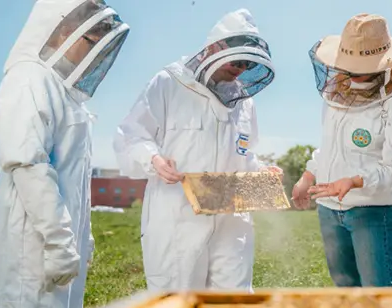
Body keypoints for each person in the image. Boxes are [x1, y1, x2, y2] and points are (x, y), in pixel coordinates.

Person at [0, 0, 129, 308]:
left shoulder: (65, 92)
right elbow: (28, 165)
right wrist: (58, 241)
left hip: (58, 238)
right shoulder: (29, 79)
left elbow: (75, 177)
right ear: (65, 29)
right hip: (33, 240)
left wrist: (83, 235)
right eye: (91, 42)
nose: (92, 54)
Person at [113, 9, 279, 293]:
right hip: (178, 218)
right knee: (178, 306)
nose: (240, 68)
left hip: (231, 221)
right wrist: (152, 159)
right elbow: (131, 136)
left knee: (234, 304)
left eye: (246, 63)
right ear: (214, 48)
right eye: (236, 60)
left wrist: (263, 173)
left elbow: (245, 154)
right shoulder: (168, 83)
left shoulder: (244, 101)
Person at [291, 13, 392, 287]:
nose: (350, 71)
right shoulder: (335, 94)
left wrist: (353, 181)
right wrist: (307, 178)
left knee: (377, 294)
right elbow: (328, 147)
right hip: (327, 209)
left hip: (370, 212)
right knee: (345, 294)